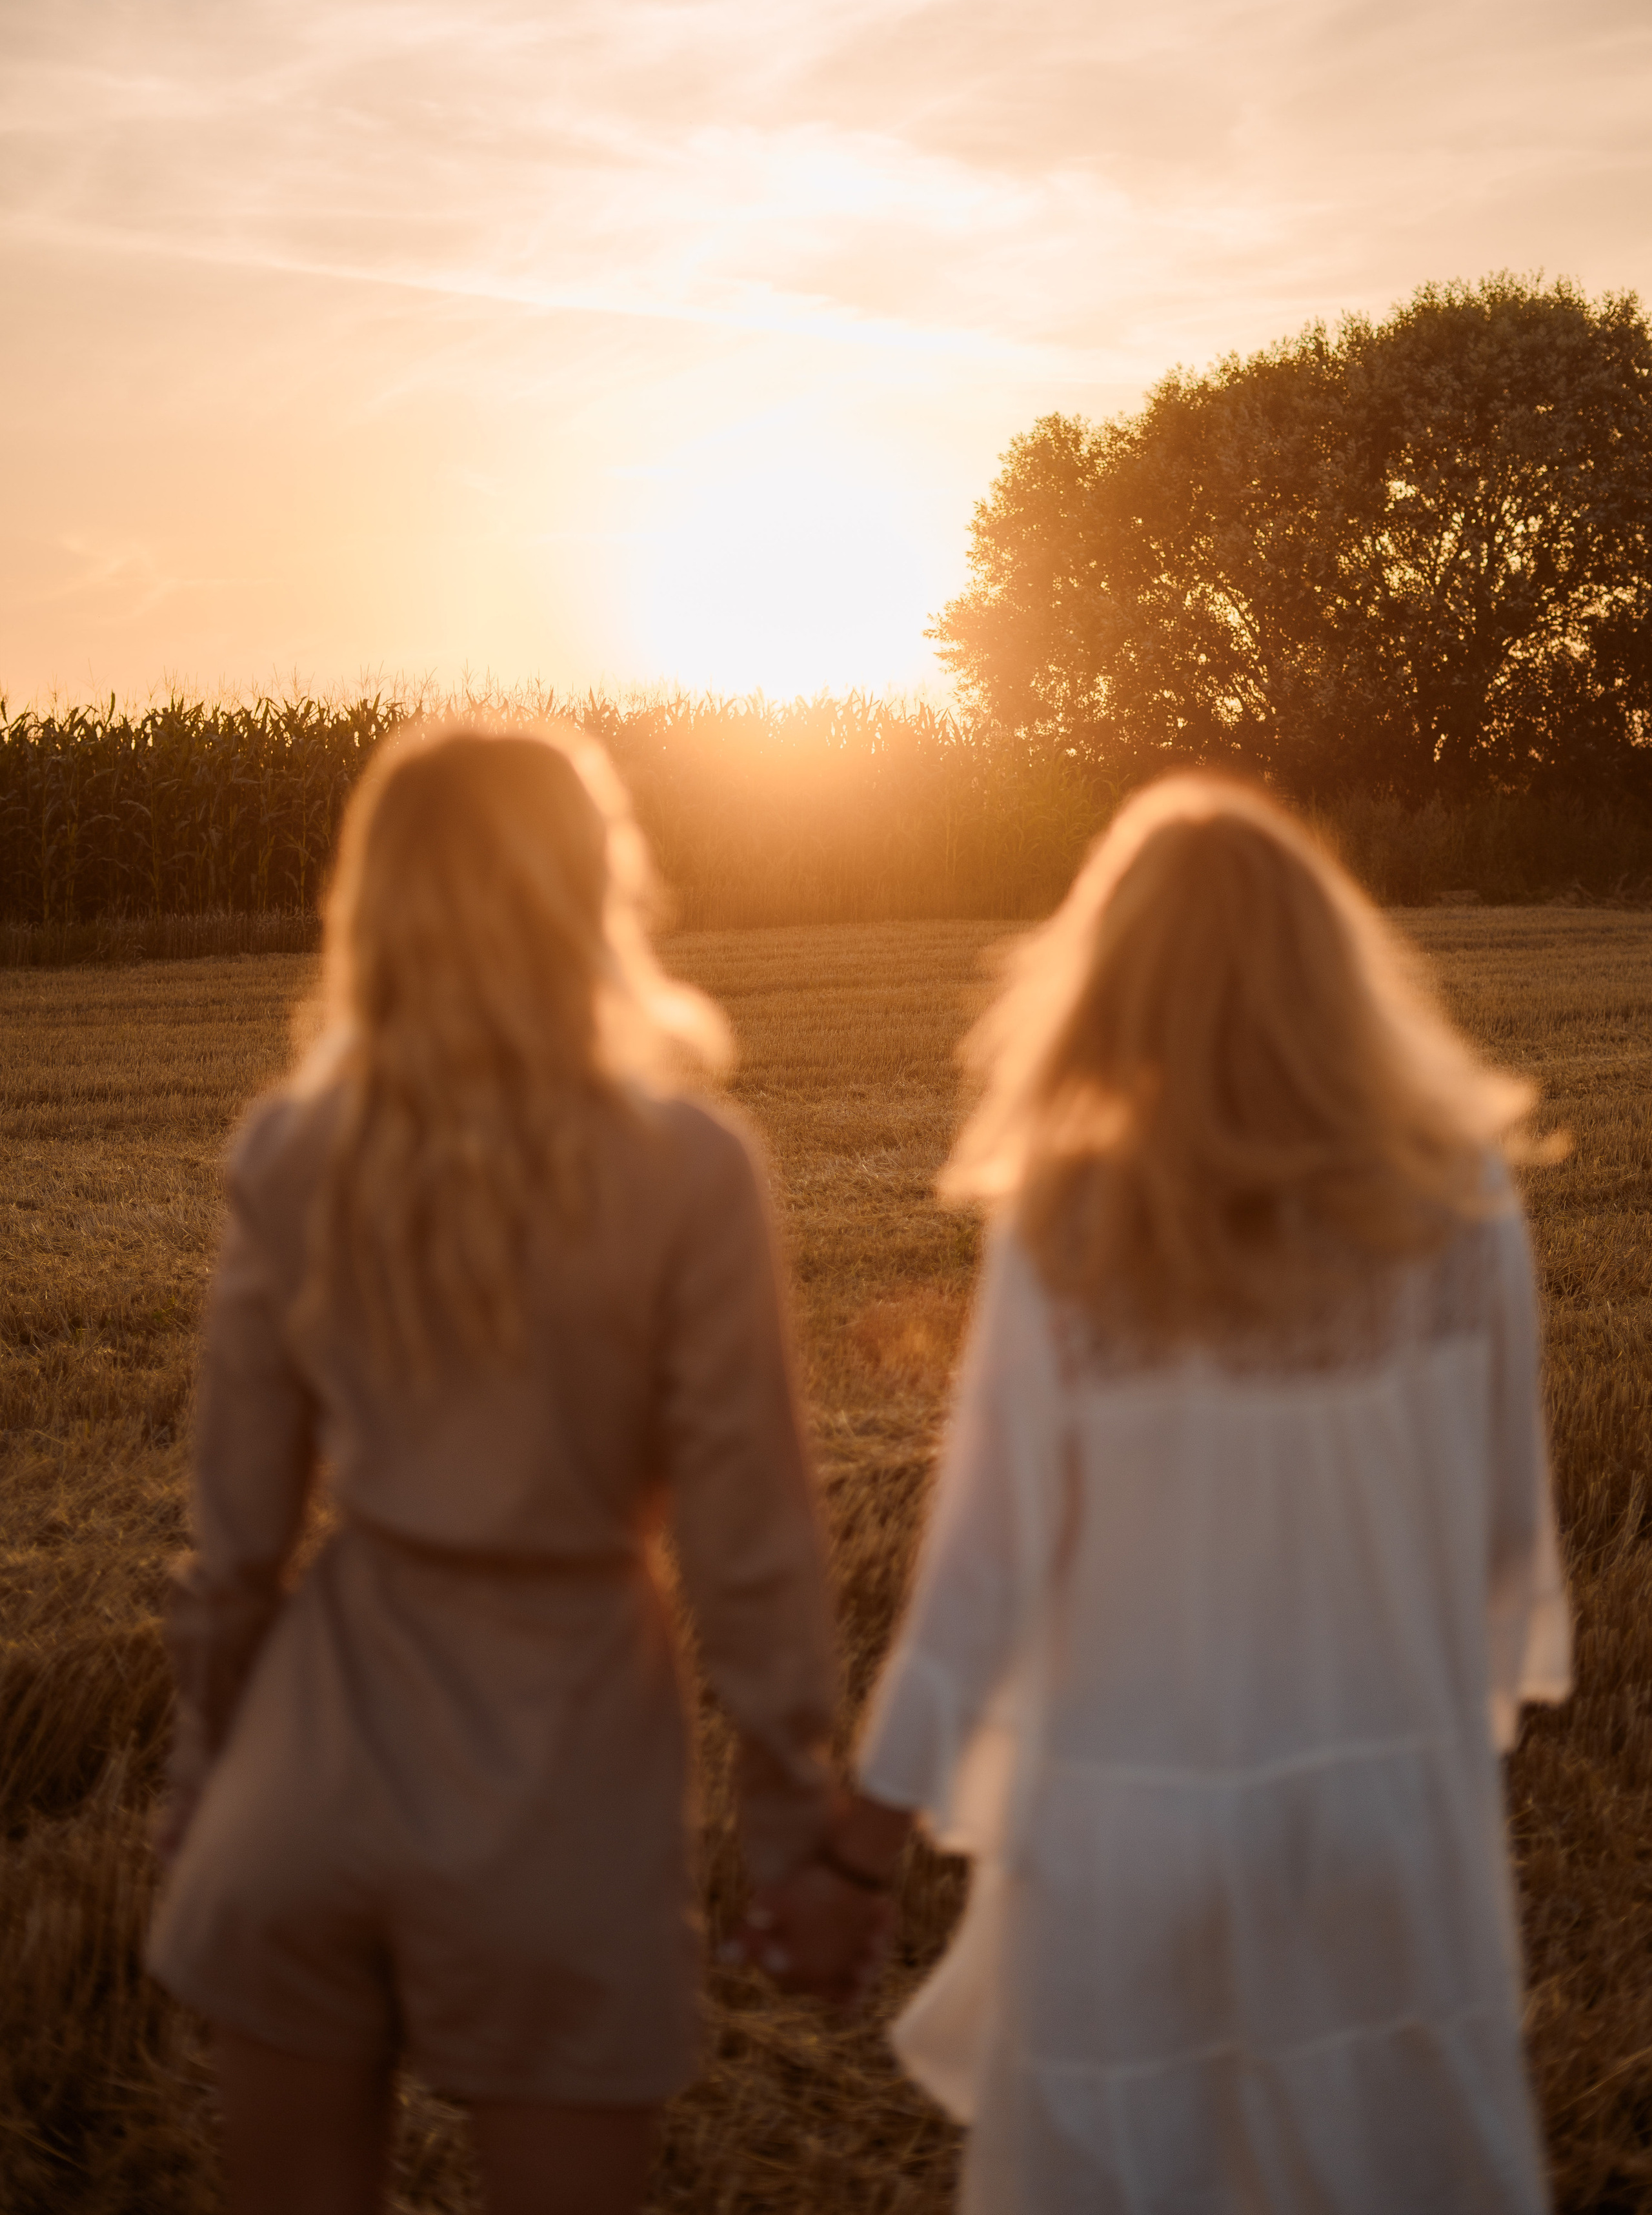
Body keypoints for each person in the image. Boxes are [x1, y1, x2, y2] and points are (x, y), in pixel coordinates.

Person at [758, 773, 1572, 2212]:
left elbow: (981, 1573)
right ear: (1334, 969)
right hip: (1382, 1817)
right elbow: (1504, 1536)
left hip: (1119, 1835)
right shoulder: (1458, 1203)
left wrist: (862, 1846)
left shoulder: (1074, 1217)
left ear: (1110, 981)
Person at [148, 722, 883, 2215]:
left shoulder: (292, 1154)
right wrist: (797, 1821)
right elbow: (747, 1538)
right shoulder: (687, 1168)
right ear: (588, 892)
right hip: (564, 1792)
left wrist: (200, 1777)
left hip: (309, 1785)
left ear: (374, 902)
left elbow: (233, 1538)